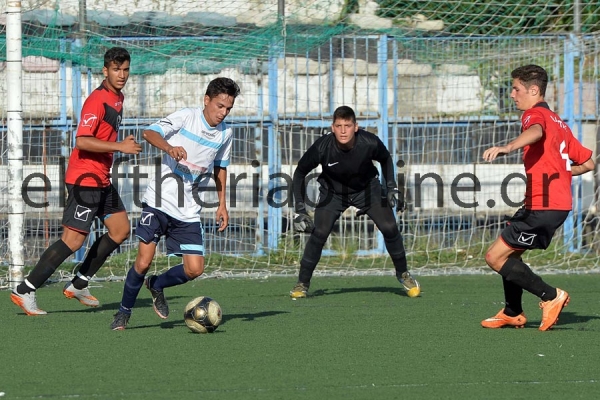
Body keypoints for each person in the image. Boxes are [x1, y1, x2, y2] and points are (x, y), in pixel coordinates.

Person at [11, 47, 141, 315]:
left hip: (101, 178)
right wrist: (119, 147)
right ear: (105, 71)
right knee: (72, 241)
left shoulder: (119, 97)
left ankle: (80, 283)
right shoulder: (97, 100)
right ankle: (25, 289)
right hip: (85, 179)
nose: (122, 75)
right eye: (116, 70)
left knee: (120, 230)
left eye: (125, 69)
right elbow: (81, 140)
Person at [110, 77, 241, 330]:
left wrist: (222, 204)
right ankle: (123, 313)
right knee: (143, 261)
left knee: (195, 269)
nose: (223, 113)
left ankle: (156, 284)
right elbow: (149, 132)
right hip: (159, 201)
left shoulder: (226, 133)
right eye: (219, 106)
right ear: (206, 100)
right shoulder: (186, 117)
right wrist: (170, 148)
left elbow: (221, 168)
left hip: (188, 208)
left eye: (228, 108)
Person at [481, 64, 595, 331]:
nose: (512, 94)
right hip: (545, 203)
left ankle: (551, 296)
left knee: (494, 257)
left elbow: (536, 132)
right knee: (511, 254)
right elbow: (588, 163)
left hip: (545, 205)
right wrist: (561, 171)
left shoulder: (536, 115)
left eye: (516, 88)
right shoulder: (560, 123)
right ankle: (512, 311)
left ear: (534, 90)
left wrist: (507, 147)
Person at [289, 105, 420, 299]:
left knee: (390, 227)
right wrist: (300, 209)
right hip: (333, 193)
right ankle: (302, 284)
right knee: (320, 232)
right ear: (332, 127)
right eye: (339, 125)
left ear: (356, 127)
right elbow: (300, 172)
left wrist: (391, 188)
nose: (343, 130)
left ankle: (404, 275)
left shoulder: (369, 142)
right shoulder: (322, 147)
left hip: (367, 190)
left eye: (348, 125)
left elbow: (385, 159)